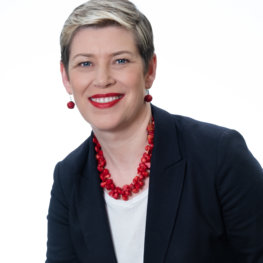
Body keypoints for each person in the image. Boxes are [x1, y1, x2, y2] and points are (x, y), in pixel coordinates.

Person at [45, 0, 263, 262]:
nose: (102, 79)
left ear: (149, 70)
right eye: (85, 64)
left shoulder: (219, 156)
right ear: (66, 78)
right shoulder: (68, 177)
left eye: (120, 60)